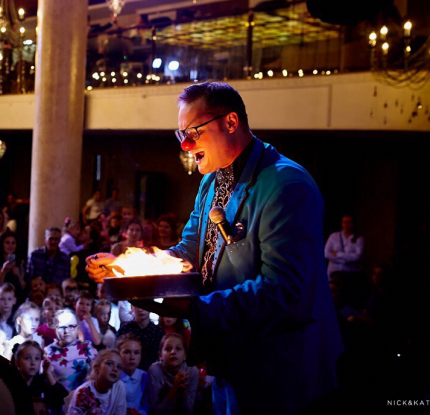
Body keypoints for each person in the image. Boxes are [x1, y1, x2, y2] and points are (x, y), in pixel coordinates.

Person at [87, 81, 343, 414]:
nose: (186, 145)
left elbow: (284, 292)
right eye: (181, 136)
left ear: (231, 122)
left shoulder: (286, 185)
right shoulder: (212, 180)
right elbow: (189, 253)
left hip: (277, 368)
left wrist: (192, 307)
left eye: (193, 132)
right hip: (229, 358)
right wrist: (125, 266)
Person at [45, 309, 98, 391]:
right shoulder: (48, 351)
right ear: (56, 329)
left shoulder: (88, 348)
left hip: (83, 398)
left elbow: (97, 375)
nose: (66, 331)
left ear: (78, 329)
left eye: (71, 326)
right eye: (62, 327)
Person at [148, 333, 199, 415]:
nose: (173, 352)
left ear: (185, 355)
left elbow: (187, 411)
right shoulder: (155, 370)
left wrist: (183, 390)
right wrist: (175, 388)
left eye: (178, 349)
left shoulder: (192, 371)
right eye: (168, 349)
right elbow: (159, 411)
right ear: (160, 355)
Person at [66, 349, 127, 415]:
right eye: (109, 363)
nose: (115, 369)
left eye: (119, 367)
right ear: (96, 368)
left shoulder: (119, 387)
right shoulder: (82, 392)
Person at [14, 340, 68, 412]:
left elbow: (62, 400)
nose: (33, 363)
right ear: (17, 362)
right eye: (27, 358)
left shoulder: (40, 381)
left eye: (37, 358)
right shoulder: (12, 382)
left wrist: (48, 374)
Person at [116, 305, 165, 371]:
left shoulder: (158, 332)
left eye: (144, 304)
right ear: (131, 307)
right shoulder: (124, 331)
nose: (141, 309)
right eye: (137, 306)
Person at [116, 333, 150, 415]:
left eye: (136, 353)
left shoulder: (144, 376)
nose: (132, 357)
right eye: (127, 352)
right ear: (118, 354)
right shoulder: (114, 377)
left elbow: (147, 404)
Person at [324, 214, 364, 279]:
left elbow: (357, 256)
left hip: (349, 273)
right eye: (344, 222)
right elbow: (326, 254)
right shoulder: (334, 236)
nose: (346, 225)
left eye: (349, 222)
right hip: (334, 272)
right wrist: (343, 261)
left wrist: (338, 254)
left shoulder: (358, 238)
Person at [0, 229, 26, 302]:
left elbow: (24, 287)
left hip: (17, 299)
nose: (10, 245)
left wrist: (18, 275)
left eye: (13, 243)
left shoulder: (21, 262)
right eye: (7, 243)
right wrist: (3, 271)